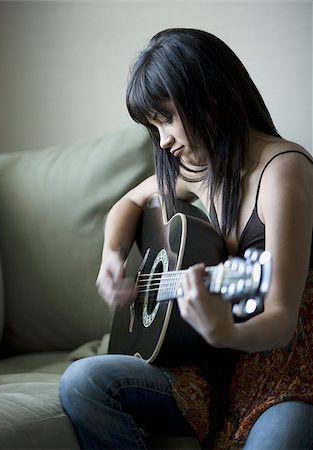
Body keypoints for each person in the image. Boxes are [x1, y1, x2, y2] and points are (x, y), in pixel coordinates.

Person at [59, 28, 313, 449]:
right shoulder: (200, 169)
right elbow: (128, 204)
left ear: (211, 96)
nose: (163, 141)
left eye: (166, 118)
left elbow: (282, 320)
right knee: (82, 382)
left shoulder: (283, 173)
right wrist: (112, 255)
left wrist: (222, 332)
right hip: (211, 369)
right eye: (152, 126)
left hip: (286, 375)